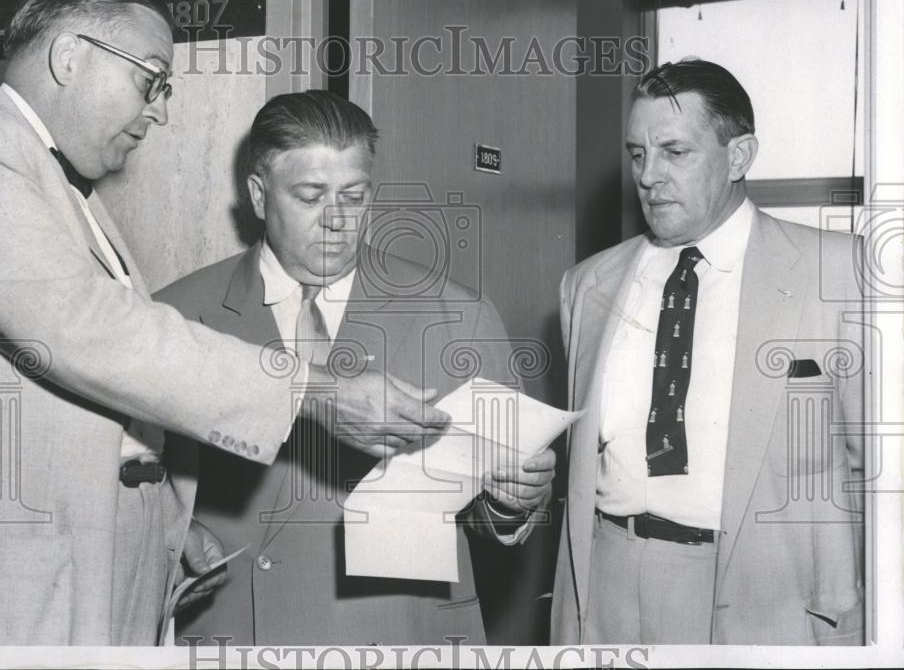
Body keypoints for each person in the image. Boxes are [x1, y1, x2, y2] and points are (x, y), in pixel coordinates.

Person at [0, 0, 449, 646]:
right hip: (16, 594)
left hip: (93, 578)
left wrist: (169, 532)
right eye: (151, 79)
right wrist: (313, 390)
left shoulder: (63, 188)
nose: (160, 111)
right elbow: (89, 333)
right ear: (69, 57)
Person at [155, 89, 557, 644]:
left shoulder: (458, 314)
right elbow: (138, 496)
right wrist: (171, 541)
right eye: (310, 195)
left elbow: (494, 518)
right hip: (237, 635)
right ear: (257, 195)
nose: (338, 221)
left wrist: (513, 501)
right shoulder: (176, 315)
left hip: (400, 633)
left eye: (354, 195)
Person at [550, 59, 864, 645]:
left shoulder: (839, 273)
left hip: (771, 600)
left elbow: (881, 469)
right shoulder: (587, 287)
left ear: (739, 156)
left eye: (675, 151)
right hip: (608, 591)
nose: (648, 176)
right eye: (638, 153)